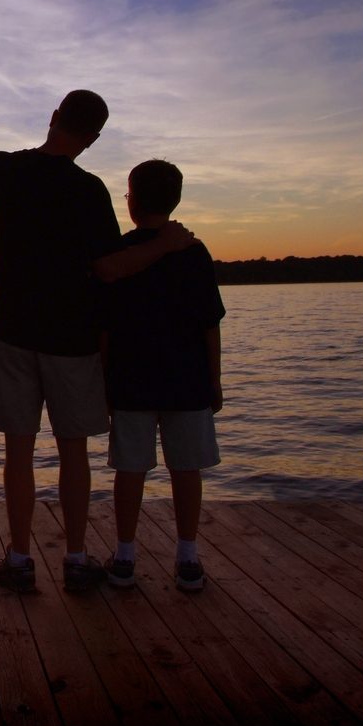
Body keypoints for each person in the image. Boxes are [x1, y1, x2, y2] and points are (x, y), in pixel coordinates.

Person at [0, 90, 193, 593]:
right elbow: (107, 267)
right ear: (93, 138)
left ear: (54, 117)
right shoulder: (90, 191)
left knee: (19, 451)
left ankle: (18, 560)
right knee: (73, 451)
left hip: (12, 334)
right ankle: (76, 560)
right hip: (73, 340)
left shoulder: (4, 171)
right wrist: (167, 244)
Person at [99, 159, 225, 592]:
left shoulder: (119, 253)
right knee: (187, 469)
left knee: (130, 470)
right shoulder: (194, 251)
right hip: (187, 379)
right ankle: (187, 556)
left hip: (131, 380)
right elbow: (211, 323)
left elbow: (105, 329)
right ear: (175, 199)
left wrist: (104, 382)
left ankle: (125, 555)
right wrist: (215, 379)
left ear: (132, 200)